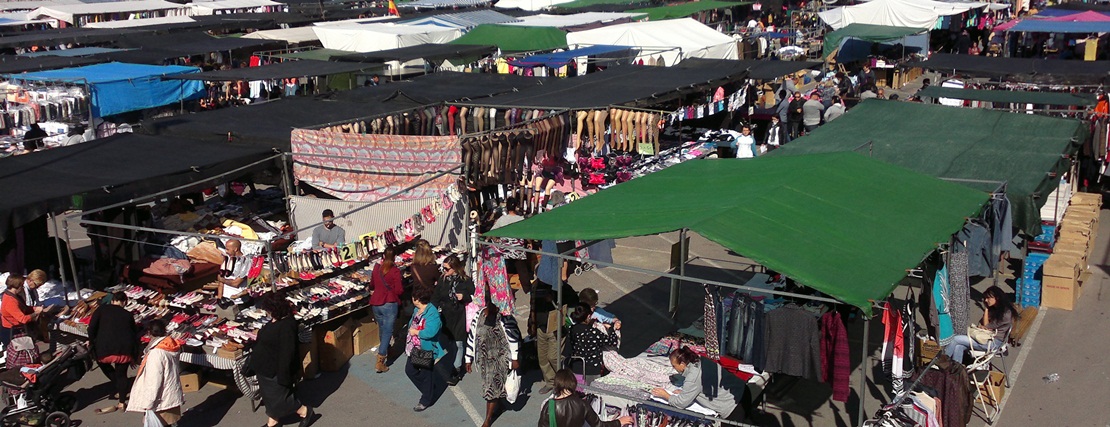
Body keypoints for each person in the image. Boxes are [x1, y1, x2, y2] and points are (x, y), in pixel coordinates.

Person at [250, 295, 315, 427]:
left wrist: (284, 375)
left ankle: (304, 411)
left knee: (280, 398)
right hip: (265, 368)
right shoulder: (276, 321)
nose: (266, 313)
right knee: (270, 397)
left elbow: (287, 353)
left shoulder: (287, 326)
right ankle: (273, 421)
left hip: (275, 369)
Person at [465, 291, 522, 427]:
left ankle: (487, 420)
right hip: (484, 360)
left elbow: (513, 338)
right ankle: (500, 404)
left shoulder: (505, 318)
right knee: (494, 386)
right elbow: (472, 337)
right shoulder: (478, 316)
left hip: (500, 359)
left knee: (491, 389)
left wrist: (514, 358)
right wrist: (468, 358)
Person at [650, 346, 748, 422]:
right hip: (742, 390)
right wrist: (686, 392)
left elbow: (680, 403)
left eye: (674, 366)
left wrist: (665, 395)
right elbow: (702, 385)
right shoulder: (700, 360)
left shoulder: (693, 378)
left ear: (682, 364)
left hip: (733, 407)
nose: (674, 369)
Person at [127, 319, 185, 427]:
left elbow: (154, 380)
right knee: (168, 423)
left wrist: (149, 403)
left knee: (160, 423)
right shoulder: (170, 346)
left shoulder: (156, 353)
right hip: (170, 393)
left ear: (149, 333)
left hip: (160, 398)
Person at [88, 292, 138, 415]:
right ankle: (122, 402)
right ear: (124, 302)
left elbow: (91, 328)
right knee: (122, 375)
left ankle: (118, 383)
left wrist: (91, 341)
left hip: (104, 349)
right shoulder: (128, 315)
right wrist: (134, 355)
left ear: (112, 300)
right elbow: (133, 333)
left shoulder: (101, 309)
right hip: (124, 350)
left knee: (104, 365)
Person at [943, 286, 1017, 362]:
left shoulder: (1005, 314)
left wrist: (986, 309)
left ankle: (942, 363)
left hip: (993, 342)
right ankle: (955, 370)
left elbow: (986, 325)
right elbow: (981, 324)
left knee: (955, 339)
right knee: (958, 346)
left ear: (997, 298)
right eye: (985, 298)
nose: (986, 300)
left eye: (988, 298)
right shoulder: (997, 309)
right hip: (986, 337)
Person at [405, 286, 449, 411]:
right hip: (414, 347)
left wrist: (416, 332)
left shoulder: (432, 313)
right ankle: (428, 390)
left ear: (417, 299)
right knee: (410, 371)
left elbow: (431, 331)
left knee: (426, 374)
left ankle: (426, 399)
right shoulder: (416, 310)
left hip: (425, 348)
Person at [432, 255, 474, 386]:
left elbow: (474, 296)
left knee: (459, 343)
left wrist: (464, 296)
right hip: (446, 316)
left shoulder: (465, 280)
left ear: (455, 268)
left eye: (446, 269)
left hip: (460, 316)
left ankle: (456, 370)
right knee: (451, 343)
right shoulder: (442, 280)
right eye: (443, 268)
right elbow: (436, 297)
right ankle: (456, 362)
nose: (444, 271)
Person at [537, 369, 632, 427]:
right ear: (573, 384)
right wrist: (619, 422)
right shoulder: (582, 404)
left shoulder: (549, 405)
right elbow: (599, 425)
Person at [564, 303, 618, 386]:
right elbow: (612, 342)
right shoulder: (593, 332)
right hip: (592, 370)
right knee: (593, 394)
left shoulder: (572, 330)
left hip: (576, 368)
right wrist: (610, 328)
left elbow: (567, 350)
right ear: (589, 316)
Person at [369, 247, 403, 373]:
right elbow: (399, 290)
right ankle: (381, 359)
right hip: (389, 302)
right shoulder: (395, 271)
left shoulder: (377, 268)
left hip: (376, 302)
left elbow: (372, 284)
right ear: (394, 257)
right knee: (388, 331)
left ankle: (387, 349)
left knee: (382, 329)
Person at [491, 200, 532, 293]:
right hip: (518, 249)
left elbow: (492, 231)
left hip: (505, 249)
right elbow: (527, 234)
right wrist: (529, 242)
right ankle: (527, 289)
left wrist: (496, 240)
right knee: (522, 270)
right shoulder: (521, 219)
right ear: (516, 207)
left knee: (504, 270)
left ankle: (503, 288)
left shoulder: (502, 219)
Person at [3, 275, 42, 370]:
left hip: (15, 328)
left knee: (21, 351)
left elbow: (23, 308)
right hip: (11, 331)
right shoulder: (10, 301)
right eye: (21, 285)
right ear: (17, 286)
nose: (23, 287)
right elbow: (23, 319)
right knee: (18, 352)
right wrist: (35, 313)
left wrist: (34, 308)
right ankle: (17, 369)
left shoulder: (14, 296)